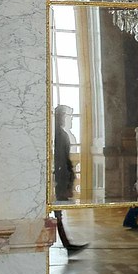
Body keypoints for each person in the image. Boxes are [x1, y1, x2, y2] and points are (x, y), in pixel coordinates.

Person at [53, 104, 88, 254]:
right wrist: (66, 180)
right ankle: (67, 245)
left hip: (59, 177)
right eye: (68, 116)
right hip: (59, 178)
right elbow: (62, 160)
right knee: (57, 212)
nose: (70, 119)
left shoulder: (59, 134)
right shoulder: (59, 135)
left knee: (58, 213)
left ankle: (67, 244)